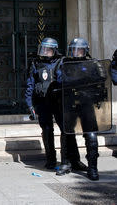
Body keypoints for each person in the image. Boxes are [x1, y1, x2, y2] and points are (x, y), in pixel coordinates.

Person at [24, 38, 87, 172]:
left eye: (48, 49)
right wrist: (30, 106)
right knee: (47, 130)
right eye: (44, 49)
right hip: (42, 102)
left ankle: (74, 160)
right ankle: (51, 160)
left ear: (54, 50)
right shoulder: (36, 63)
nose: (45, 52)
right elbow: (30, 85)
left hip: (59, 102)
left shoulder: (61, 62)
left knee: (67, 130)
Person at [56, 38, 105, 180]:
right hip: (70, 103)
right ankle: (65, 163)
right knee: (66, 132)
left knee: (91, 134)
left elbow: (102, 78)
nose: (76, 53)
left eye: (80, 50)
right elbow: (60, 79)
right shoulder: (65, 63)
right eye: (74, 50)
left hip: (86, 102)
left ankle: (93, 168)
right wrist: (81, 79)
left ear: (86, 51)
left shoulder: (93, 63)